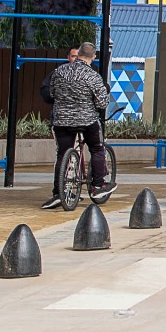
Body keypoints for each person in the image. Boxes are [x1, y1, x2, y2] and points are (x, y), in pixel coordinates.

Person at [41, 42, 112, 209]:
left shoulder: (59, 71)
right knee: (96, 148)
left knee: (62, 154)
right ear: (93, 57)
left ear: (78, 54)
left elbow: (51, 94)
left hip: (61, 121)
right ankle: (98, 185)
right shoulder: (93, 76)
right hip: (86, 121)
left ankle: (58, 193)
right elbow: (102, 103)